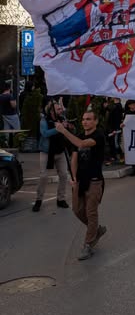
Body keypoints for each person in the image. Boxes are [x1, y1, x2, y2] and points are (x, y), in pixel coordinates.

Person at [56, 109, 107, 261]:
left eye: (89, 119)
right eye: (84, 119)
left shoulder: (98, 136)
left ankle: (88, 245)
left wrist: (64, 131)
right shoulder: (78, 135)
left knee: (91, 212)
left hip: (94, 181)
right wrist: (73, 178)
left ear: (96, 121)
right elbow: (74, 159)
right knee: (77, 210)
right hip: (80, 181)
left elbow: (82, 144)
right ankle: (96, 230)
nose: (85, 121)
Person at [33, 99, 70, 212]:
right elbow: (44, 133)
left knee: (64, 175)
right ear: (52, 110)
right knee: (43, 176)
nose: (61, 110)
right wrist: (57, 129)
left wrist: (68, 127)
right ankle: (38, 200)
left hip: (60, 151)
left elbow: (67, 131)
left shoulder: (62, 119)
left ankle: (61, 199)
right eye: (58, 108)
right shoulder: (44, 120)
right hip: (47, 152)